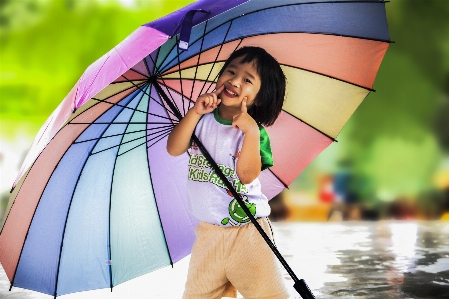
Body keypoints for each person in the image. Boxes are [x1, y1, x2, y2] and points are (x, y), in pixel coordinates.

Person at [167, 46, 289, 299]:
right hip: (208, 233)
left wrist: (251, 132)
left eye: (247, 80)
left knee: (267, 296)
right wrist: (195, 112)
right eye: (230, 72)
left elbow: (247, 175)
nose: (234, 81)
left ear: (260, 97)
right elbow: (174, 148)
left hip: (248, 231)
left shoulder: (253, 133)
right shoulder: (201, 121)